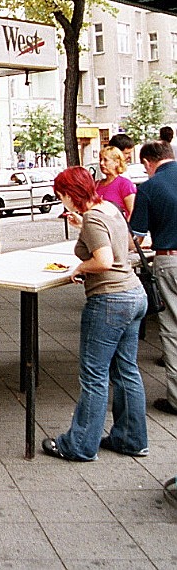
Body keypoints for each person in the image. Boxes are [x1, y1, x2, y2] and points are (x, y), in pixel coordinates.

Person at [42, 166, 148, 460]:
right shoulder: (110, 208)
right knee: (126, 370)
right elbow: (125, 245)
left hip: (109, 300)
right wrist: (84, 228)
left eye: (60, 194)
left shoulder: (92, 218)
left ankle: (80, 445)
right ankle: (132, 439)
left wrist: (80, 268)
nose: (60, 199)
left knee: (94, 375)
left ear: (68, 193)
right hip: (134, 294)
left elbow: (103, 260)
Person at [129, 140, 177, 416]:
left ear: (148, 163)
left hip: (170, 259)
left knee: (172, 328)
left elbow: (135, 235)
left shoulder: (149, 188)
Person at [95, 145, 136, 219]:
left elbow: (132, 212)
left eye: (105, 160)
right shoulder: (96, 184)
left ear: (117, 162)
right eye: (100, 160)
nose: (101, 163)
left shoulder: (125, 184)